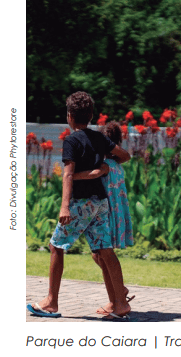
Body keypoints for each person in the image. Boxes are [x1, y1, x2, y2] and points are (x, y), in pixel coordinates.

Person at [27, 91, 131, 319]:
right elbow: (125, 156)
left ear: (69, 116)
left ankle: (51, 302)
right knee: (105, 250)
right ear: (91, 115)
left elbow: (67, 175)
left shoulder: (71, 141)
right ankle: (121, 304)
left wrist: (65, 207)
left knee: (56, 247)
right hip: (100, 203)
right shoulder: (98, 138)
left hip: (80, 204)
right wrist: (105, 166)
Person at [72, 121, 134, 316]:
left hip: (107, 214)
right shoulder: (117, 163)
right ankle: (117, 295)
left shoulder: (105, 165)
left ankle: (118, 297)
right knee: (99, 254)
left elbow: (95, 174)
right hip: (115, 213)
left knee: (102, 254)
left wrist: (72, 176)